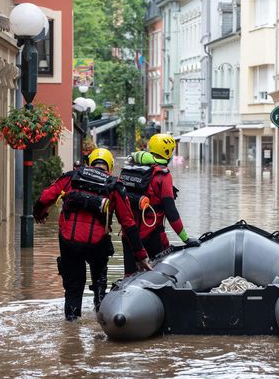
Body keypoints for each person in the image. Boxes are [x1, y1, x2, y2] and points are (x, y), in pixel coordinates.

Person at [33, 148, 152, 321]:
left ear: (89, 163)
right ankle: (102, 320)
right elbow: (128, 223)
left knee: (73, 287)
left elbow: (44, 197)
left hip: (69, 240)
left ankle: (72, 328)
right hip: (97, 243)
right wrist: (141, 256)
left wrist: (40, 214)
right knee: (99, 284)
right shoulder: (114, 185)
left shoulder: (71, 177)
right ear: (109, 166)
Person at [120, 133, 200, 276]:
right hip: (152, 235)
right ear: (167, 152)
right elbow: (171, 211)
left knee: (129, 277)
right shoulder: (162, 176)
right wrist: (186, 239)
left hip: (129, 235)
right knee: (162, 275)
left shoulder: (132, 169)